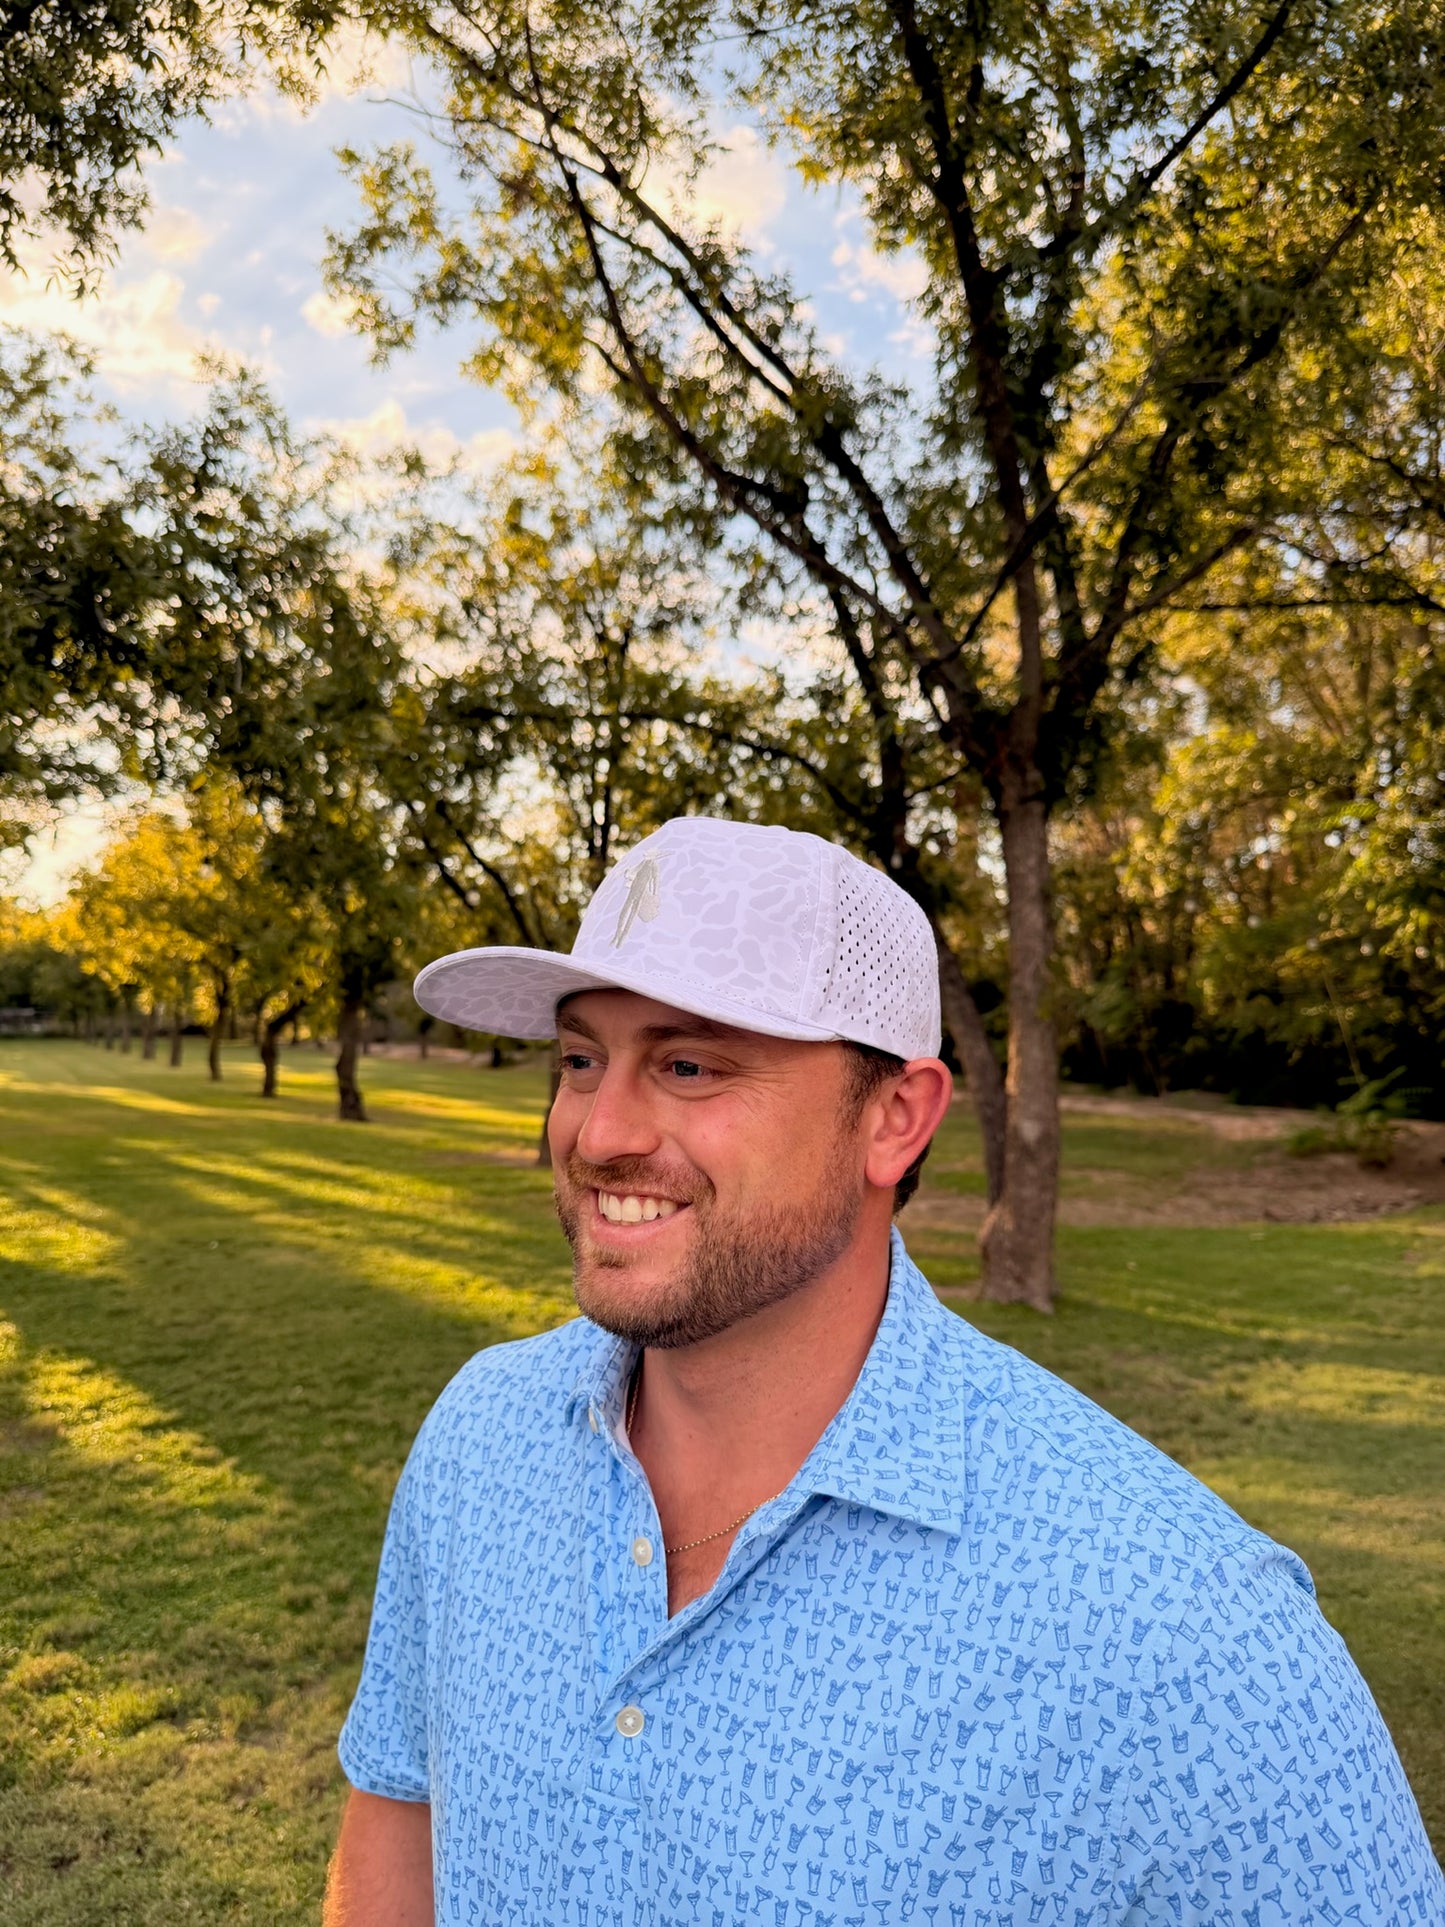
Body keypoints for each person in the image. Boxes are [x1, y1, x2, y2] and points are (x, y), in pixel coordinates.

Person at [325, 816, 1444, 1927]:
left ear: (894, 1119)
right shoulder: (479, 1438)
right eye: (578, 1059)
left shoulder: (1179, 1632)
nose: (597, 1130)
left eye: (687, 1063)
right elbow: (398, 1834)